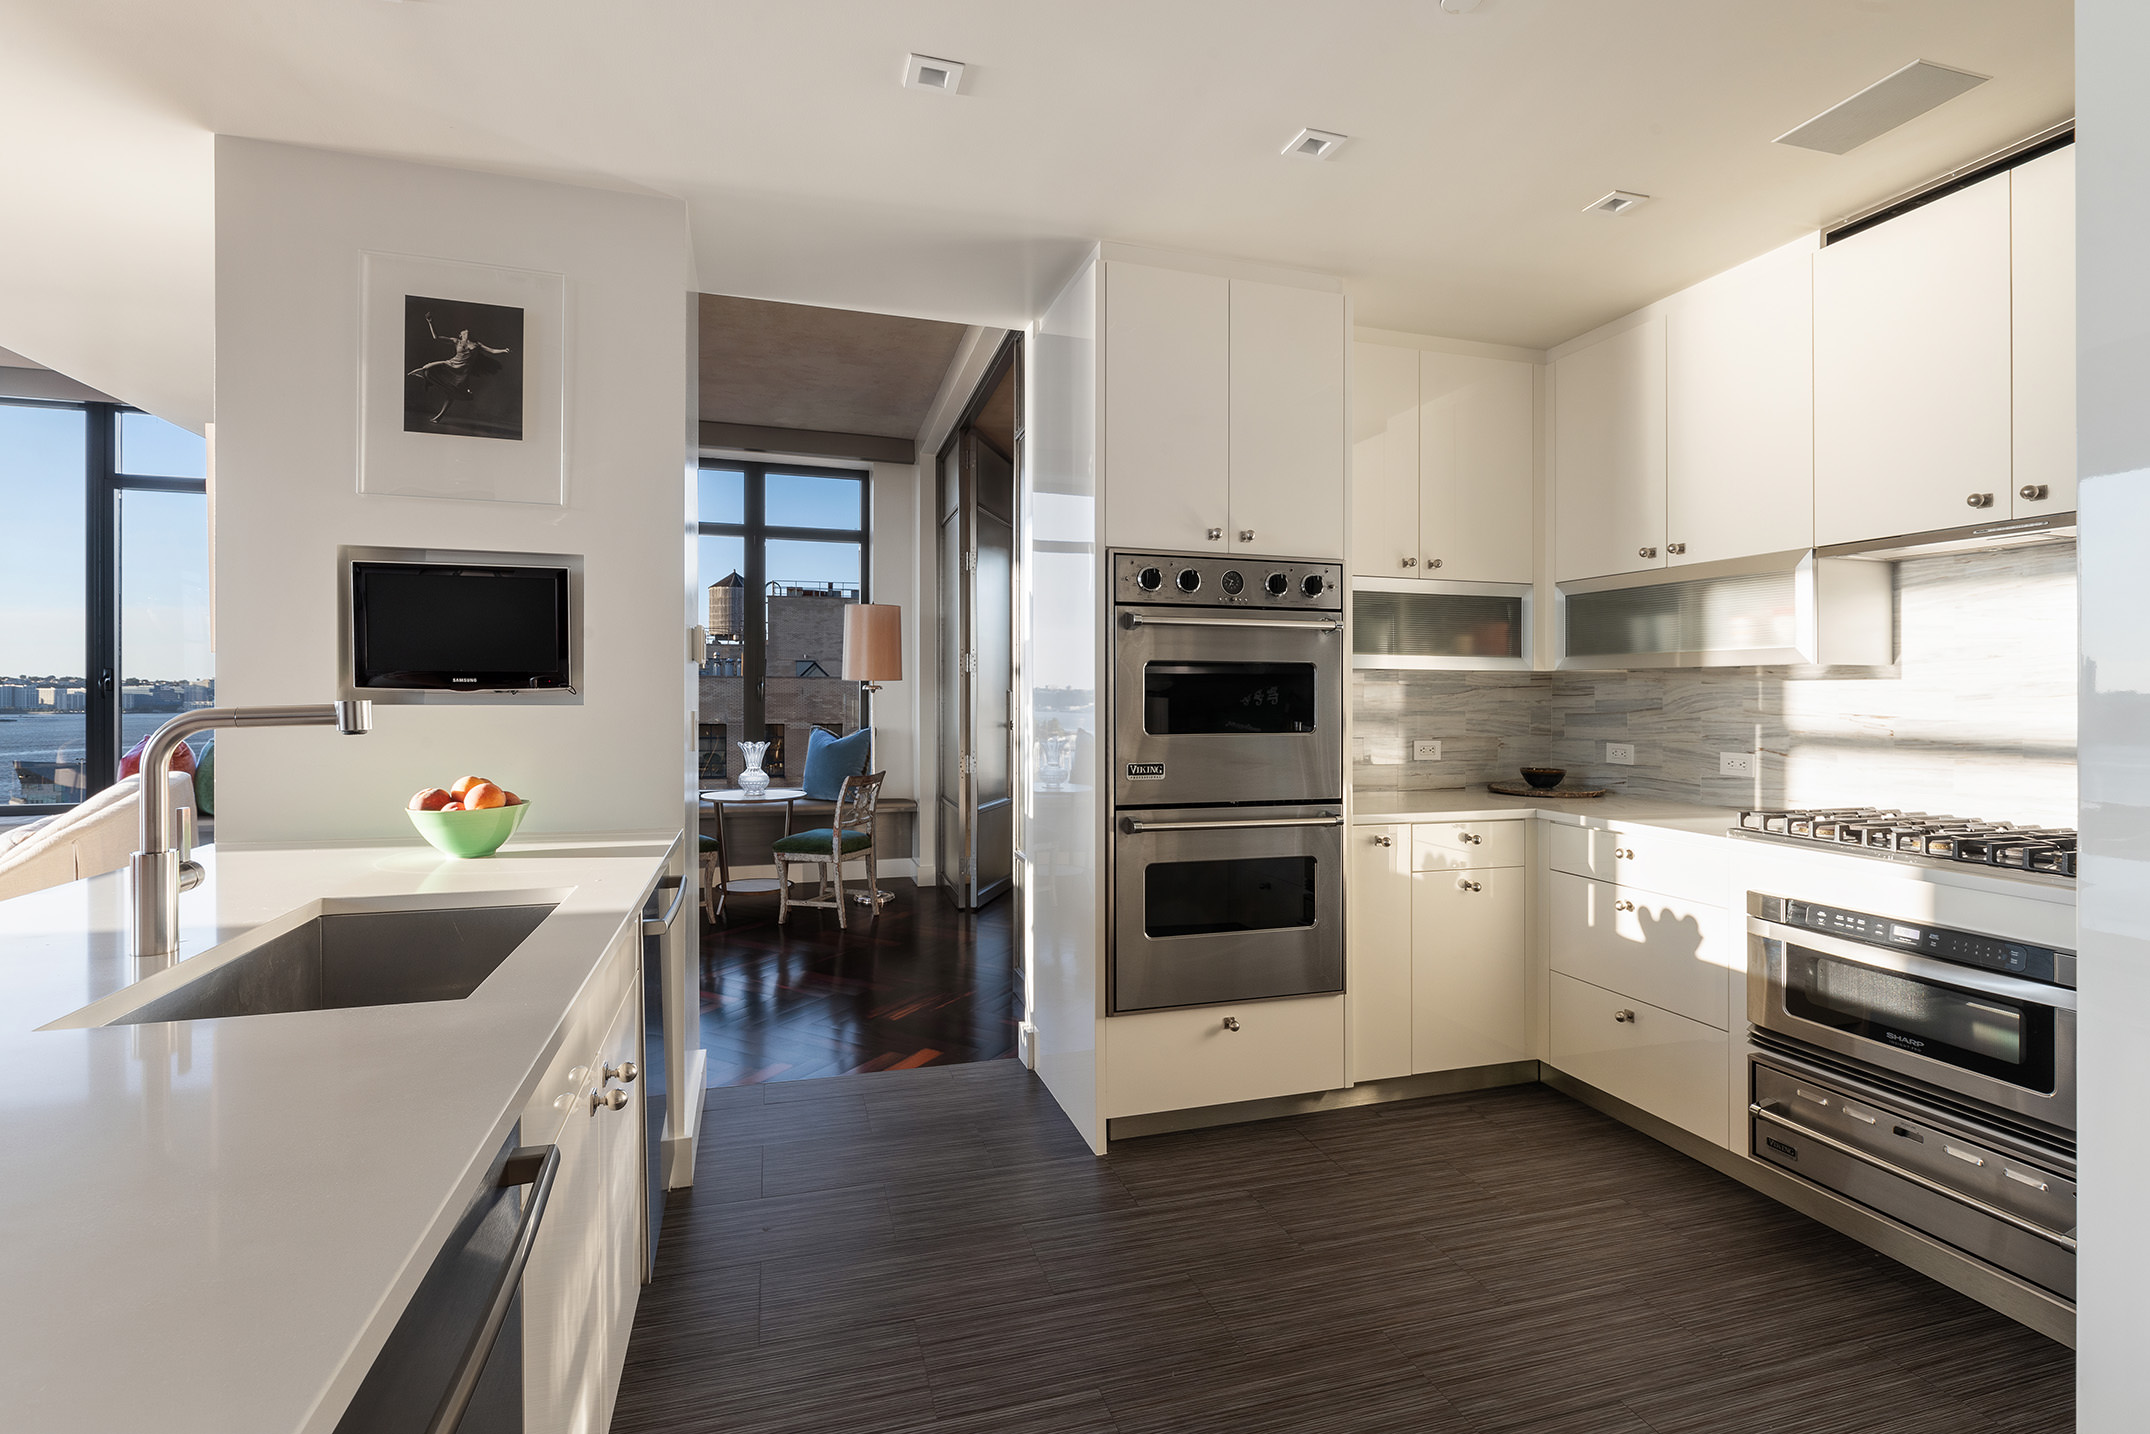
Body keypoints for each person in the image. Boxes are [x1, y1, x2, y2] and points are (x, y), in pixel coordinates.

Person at [407, 312, 511, 424]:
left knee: (451, 395)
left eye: (467, 330)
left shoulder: (477, 344)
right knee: (428, 367)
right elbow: (436, 337)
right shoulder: (456, 341)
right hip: (451, 364)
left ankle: (438, 417)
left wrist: (503, 350)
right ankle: (425, 377)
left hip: (462, 373)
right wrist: (431, 323)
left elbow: (492, 351)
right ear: (461, 335)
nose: (466, 331)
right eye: (464, 331)